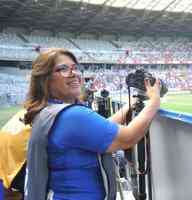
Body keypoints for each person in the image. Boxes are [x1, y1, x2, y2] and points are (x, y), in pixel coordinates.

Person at [23, 48, 161, 200]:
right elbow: (128, 137)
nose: (73, 73)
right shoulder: (72, 116)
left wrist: (129, 104)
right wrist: (154, 101)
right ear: (45, 79)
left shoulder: (50, 111)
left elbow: (100, 130)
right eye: (63, 69)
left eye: (75, 68)